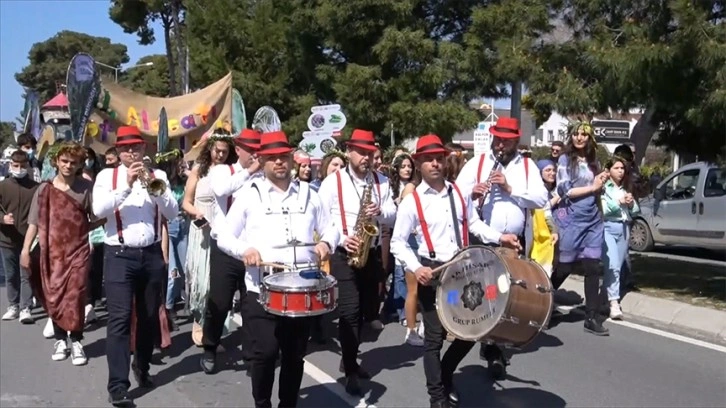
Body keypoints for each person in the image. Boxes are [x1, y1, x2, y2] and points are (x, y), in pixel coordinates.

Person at [391, 134, 519, 408]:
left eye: (439, 158)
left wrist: (501, 237)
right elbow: (397, 243)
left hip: (463, 273)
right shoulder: (412, 201)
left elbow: (474, 224)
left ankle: (446, 374)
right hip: (434, 275)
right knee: (435, 338)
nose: (435, 163)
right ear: (418, 164)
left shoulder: (458, 192)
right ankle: (437, 397)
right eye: (428, 159)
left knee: (473, 330)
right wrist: (417, 268)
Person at [217, 130, 338, 408]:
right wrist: (244, 250)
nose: (279, 162)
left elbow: (332, 227)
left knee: (295, 354)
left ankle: (288, 404)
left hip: (301, 289)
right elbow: (223, 235)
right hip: (262, 289)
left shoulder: (309, 193)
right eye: (272, 158)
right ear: (263, 161)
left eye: (283, 156)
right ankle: (262, 403)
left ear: (291, 159)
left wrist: (327, 243)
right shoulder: (249, 195)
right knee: (266, 352)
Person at [92, 125, 179, 407]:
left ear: (144, 149)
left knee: (149, 316)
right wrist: (127, 186)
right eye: (126, 148)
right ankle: (117, 386)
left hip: (151, 254)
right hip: (118, 254)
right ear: (118, 152)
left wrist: (155, 189)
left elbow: (172, 212)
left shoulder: (159, 176)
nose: (132, 152)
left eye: (137, 147)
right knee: (119, 319)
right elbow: (98, 210)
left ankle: (141, 366)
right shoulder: (107, 176)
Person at [455, 117, 548, 379]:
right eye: (498, 139)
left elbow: (541, 198)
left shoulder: (527, 167)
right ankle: (490, 346)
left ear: (516, 141)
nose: (501, 145)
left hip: (514, 242)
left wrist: (510, 188)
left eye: (506, 141)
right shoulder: (479, 162)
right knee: (489, 294)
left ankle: (495, 345)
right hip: (484, 239)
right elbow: (455, 194)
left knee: (507, 295)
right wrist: (473, 193)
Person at [317, 129, 396, 395]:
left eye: (369, 153)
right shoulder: (333, 182)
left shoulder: (381, 181)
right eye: (361, 152)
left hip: (370, 252)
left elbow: (393, 214)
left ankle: (351, 354)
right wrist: (341, 239)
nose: (366, 157)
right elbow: (322, 219)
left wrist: (382, 211)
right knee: (349, 312)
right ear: (349, 152)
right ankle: (350, 368)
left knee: (367, 310)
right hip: (344, 253)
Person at [21, 141, 104, 365]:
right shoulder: (44, 189)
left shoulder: (86, 188)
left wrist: (81, 229)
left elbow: (96, 218)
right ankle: (60, 340)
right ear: (56, 161)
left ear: (79, 164)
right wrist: (25, 250)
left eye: (73, 162)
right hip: (52, 253)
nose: (68, 165)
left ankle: (76, 340)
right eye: (64, 161)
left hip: (78, 252)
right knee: (55, 296)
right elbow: (33, 223)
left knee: (76, 296)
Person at [201, 128, 262, 374]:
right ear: (239, 150)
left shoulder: (260, 177)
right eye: (251, 149)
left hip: (252, 250)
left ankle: (251, 356)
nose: (255, 154)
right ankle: (209, 347)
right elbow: (222, 190)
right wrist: (250, 171)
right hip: (226, 249)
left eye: (258, 149)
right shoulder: (221, 170)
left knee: (252, 305)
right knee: (220, 301)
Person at [549, 122, 610, 336]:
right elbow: (565, 189)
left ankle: (591, 317)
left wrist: (601, 181)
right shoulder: (565, 159)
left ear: (590, 138)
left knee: (592, 267)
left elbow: (597, 187)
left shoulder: (595, 160)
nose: (579, 138)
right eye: (576, 134)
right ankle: (542, 302)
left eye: (584, 134)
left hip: (593, 219)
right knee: (565, 267)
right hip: (572, 218)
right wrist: (592, 187)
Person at [183, 129, 238, 346]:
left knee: (219, 285)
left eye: (225, 151)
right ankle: (199, 322)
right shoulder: (199, 169)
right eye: (217, 150)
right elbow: (186, 201)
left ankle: (215, 331)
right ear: (210, 149)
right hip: (201, 231)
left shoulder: (231, 172)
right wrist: (197, 213)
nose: (221, 155)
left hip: (222, 231)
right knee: (201, 282)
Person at [0, 148, 40, 323]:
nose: (19, 168)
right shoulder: (3, 186)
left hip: (28, 240)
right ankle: (13, 305)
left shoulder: (34, 188)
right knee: (11, 274)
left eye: (22, 165)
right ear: (10, 165)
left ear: (28, 166)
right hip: (6, 239)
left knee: (26, 274)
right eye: (15, 165)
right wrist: (2, 218)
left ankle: (25, 308)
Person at [601, 156, 640, 320]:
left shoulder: (624, 188)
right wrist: (619, 202)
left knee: (618, 265)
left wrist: (631, 204)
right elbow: (605, 209)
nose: (620, 171)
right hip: (608, 227)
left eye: (622, 168)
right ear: (608, 170)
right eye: (616, 168)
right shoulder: (604, 188)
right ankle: (614, 303)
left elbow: (636, 211)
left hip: (624, 228)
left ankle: (604, 298)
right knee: (613, 265)